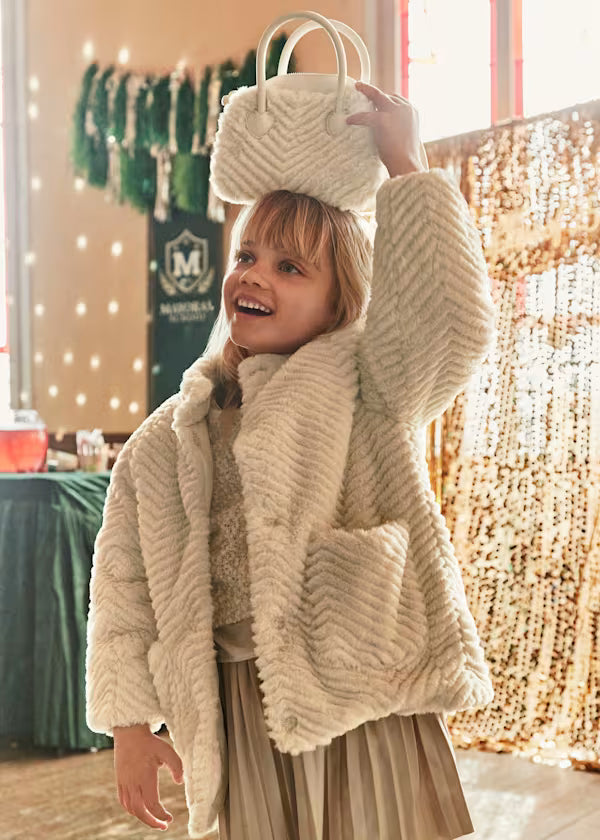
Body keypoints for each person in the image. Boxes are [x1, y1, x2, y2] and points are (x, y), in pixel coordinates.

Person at [85, 80, 496, 840]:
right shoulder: (166, 441)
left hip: (358, 693)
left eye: (290, 267)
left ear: (343, 300)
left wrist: (406, 168)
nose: (255, 276)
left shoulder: (367, 383)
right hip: (238, 710)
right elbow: (124, 585)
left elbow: (453, 326)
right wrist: (129, 723)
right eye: (247, 254)